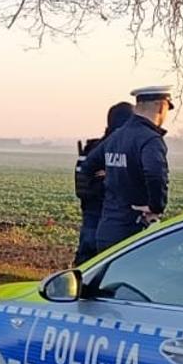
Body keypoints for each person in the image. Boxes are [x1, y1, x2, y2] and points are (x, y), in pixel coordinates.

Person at [94, 86, 175, 251]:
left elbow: (88, 167)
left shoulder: (116, 136)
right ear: (161, 107)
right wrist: (155, 207)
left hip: (107, 229)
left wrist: (111, 184)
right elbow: (155, 174)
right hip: (133, 233)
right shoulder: (150, 139)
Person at [73, 102, 134, 264]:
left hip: (91, 219)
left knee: (85, 266)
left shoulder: (92, 149)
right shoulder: (114, 150)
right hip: (107, 220)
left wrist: (107, 177)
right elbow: (84, 187)